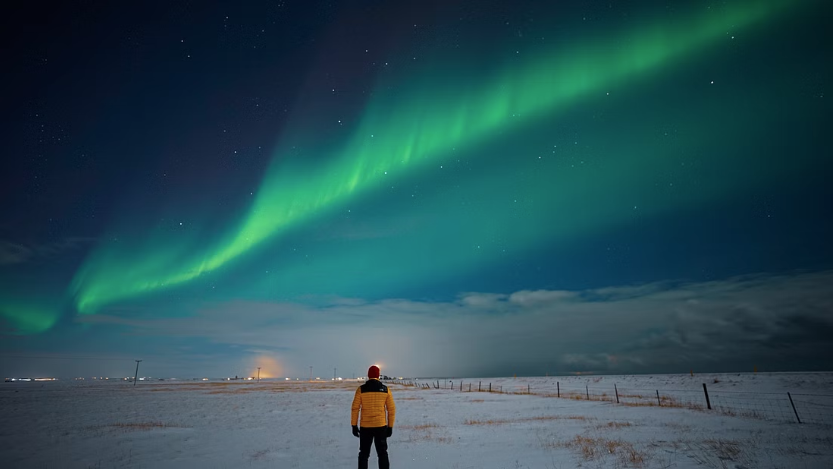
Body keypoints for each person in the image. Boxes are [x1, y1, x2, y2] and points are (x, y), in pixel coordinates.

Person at [351, 365, 396, 469]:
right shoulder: (385, 389)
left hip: (365, 427)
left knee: (364, 454)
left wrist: (354, 425)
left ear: (368, 375)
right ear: (378, 375)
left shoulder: (361, 389)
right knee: (382, 453)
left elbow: (355, 408)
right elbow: (391, 409)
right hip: (381, 426)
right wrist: (390, 427)